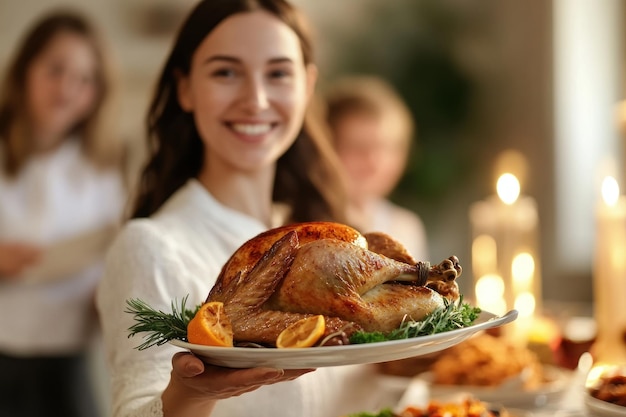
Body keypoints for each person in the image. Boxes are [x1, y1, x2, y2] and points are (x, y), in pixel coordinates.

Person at [95, 1, 356, 416]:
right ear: (185, 88)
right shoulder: (152, 247)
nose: (255, 100)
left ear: (307, 86)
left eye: (278, 73)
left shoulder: (320, 236)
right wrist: (191, 395)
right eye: (226, 72)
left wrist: (414, 363)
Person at [0, 9, 127, 417]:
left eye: (85, 79)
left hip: (68, 361)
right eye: (56, 70)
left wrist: (109, 293)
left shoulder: (105, 166)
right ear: (24, 71)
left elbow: (110, 256)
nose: (68, 88)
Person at [324, 75, 428, 260]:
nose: (374, 162)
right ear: (326, 149)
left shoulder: (405, 226)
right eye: (357, 147)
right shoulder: (311, 225)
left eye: (387, 148)